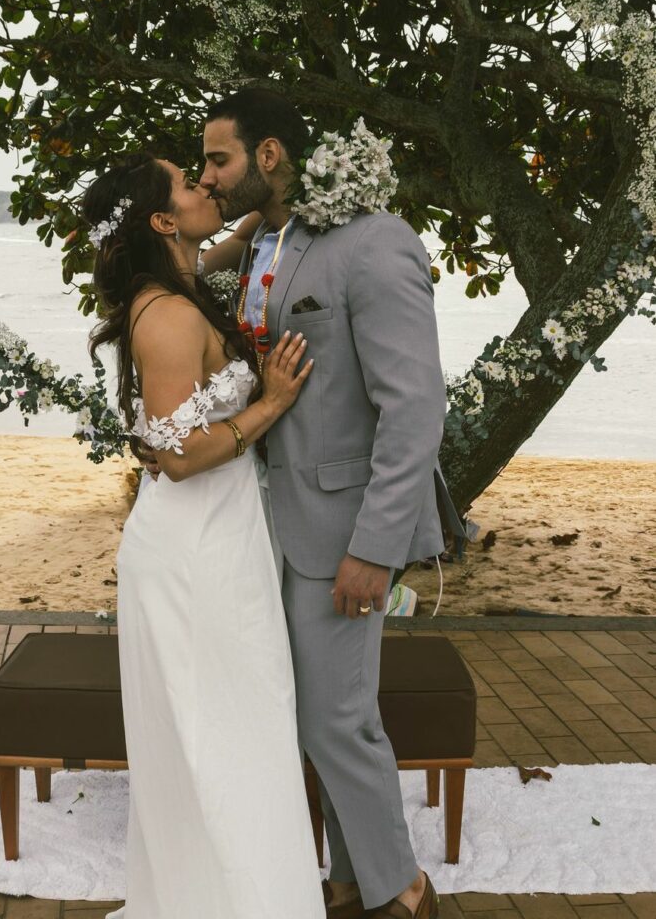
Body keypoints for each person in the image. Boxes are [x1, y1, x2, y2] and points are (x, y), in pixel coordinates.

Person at [195, 87, 458, 919]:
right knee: (312, 719)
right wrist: (234, 233)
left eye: (218, 159)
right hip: (266, 522)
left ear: (268, 155)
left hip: (342, 528)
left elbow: (414, 406)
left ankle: (401, 892)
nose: (207, 175)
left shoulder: (374, 244)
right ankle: (349, 884)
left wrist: (376, 548)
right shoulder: (267, 241)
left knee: (335, 722)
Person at [84, 152, 326, 919]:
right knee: (225, 734)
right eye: (189, 183)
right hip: (193, 555)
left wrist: (271, 199)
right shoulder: (170, 316)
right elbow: (180, 456)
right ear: (161, 220)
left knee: (238, 726)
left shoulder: (187, 282)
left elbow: (239, 229)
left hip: (222, 539)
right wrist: (273, 402)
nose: (205, 184)